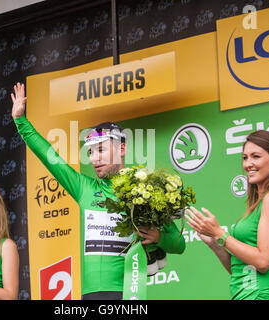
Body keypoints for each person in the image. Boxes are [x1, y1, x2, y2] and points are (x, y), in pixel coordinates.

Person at [11, 82, 185, 300]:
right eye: (91, 152)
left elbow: (180, 244)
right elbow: (49, 157)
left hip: (130, 292)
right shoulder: (85, 188)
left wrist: (158, 236)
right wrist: (20, 121)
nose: (94, 159)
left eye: (101, 150)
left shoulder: (144, 192)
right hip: (90, 295)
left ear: (121, 149)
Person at [185, 130, 269, 300]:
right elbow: (240, 269)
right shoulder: (258, 204)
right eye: (245, 158)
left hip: (260, 295)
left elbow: (263, 262)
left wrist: (219, 234)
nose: (248, 164)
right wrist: (214, 243)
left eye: (256, 156)